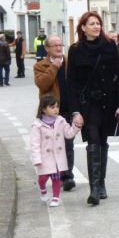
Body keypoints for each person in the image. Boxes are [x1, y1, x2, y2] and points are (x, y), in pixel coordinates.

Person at [67, 12, 119, 206]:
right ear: (83, 28)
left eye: (98, 23)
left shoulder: (110, 46)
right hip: (87, 104)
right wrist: (75, 110)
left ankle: (101, 184)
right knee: (92, 140)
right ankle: (94, 189)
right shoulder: (75, 50)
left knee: (102, 141)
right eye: (91, 24)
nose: (96, 26)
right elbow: (72, 83)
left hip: (107, 103)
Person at [34, 35, 78, 191]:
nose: (59, 48)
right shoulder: (41, 65)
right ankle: (55, 174)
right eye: (55, 46)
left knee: (68, 144)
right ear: (47, 48)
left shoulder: (69, 62)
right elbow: (42, 84)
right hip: (51, 113)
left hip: (68, 109)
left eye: (60, 45)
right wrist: (54, 67)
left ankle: (68, 177)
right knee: (52, 146)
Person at [29, 94, 81, 207]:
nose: (56, 110)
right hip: (44, 158)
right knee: (43, 178)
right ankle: (42, 189)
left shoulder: (61, 121)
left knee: (56, 178)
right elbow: (35, 144)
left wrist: (76, 127)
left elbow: (68, 134)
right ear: (43, 109)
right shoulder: (37, 125)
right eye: (52, 107)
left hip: (57, 157)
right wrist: (36, 159)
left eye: (57, 107)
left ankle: (55, 198)